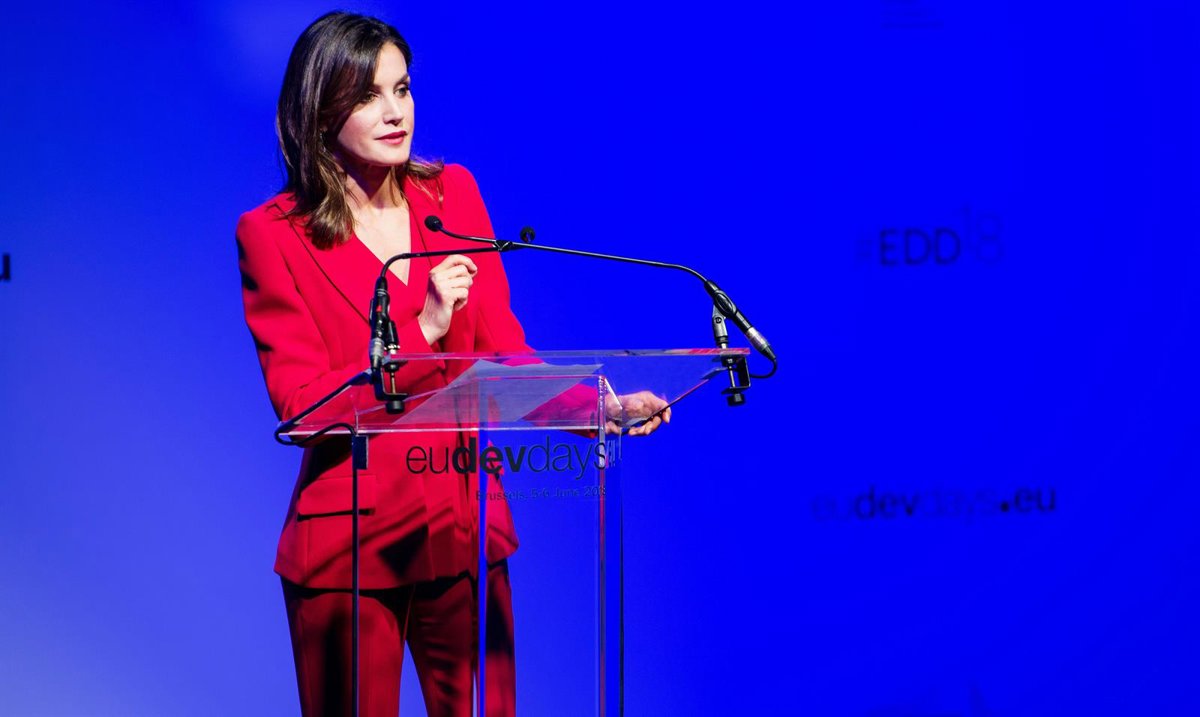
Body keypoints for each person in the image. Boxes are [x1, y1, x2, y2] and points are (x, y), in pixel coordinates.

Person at [237, 11, 667, 717]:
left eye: (402, 88)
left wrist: (598, 408)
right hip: (349, 543)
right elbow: (303, 406)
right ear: (319, 111)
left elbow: (504, 353)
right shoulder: (274, 234)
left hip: (463, 522)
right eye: (368, 95)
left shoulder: (452, 195)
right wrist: (423, 329)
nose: (395, 111)